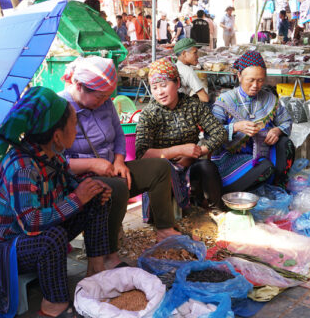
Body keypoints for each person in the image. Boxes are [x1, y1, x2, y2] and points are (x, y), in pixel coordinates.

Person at [0, 87, 112, 317]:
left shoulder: (52, 156)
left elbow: (69, 188)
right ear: (57, 135)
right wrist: (77, 197)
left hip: (30, 238)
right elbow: (31, 223)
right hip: (4, 249)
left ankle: (95, 271)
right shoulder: (22, 167)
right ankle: (53, 306)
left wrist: (89, 190)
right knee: (53, 237)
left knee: (95, 193)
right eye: (73, 122)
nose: (76, 127)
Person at [58, 56, 180, 263]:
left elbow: (119, 134)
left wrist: (119, 161)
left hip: (110, 168)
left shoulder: (104, 103)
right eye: (100, 97)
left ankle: (164, 228)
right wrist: (92, 164)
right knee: (117, 186)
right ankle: (108, 253)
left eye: (108, 96)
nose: (105, 101)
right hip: (77, 180)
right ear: (79, 86)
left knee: (160, 167)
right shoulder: (61, 109)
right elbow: (57, 163)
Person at [136, 59, 227, 210]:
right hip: (161, 169)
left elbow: (220, 133)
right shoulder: (149, 113)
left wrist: (193, 155)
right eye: (154, 87)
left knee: (207, 167)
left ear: (177, 83)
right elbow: (142, 153)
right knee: (163, 172)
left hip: (190, 164)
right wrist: (179, 151)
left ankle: (217, 211)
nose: (160, 92)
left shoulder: (193, 106)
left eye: (164, 86)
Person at [211, 51, 294, 192]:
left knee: (286, 144)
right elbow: (211, 134)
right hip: (232, 156)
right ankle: (233, 187)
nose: (255, 85)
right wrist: (235, 127)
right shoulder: (225, 101)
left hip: (263, 150)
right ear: (239, 76)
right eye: (250, 80)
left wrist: (277, 131)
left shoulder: (269, 99)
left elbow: (287, 121)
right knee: (265, 168)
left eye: (260, 80)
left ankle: (277, 186)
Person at [173, 38, 209, 102]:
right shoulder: (187, 71)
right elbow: (205, 98)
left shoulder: (176, 66)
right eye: (195, 53)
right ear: (184, 53)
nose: (197, 56)